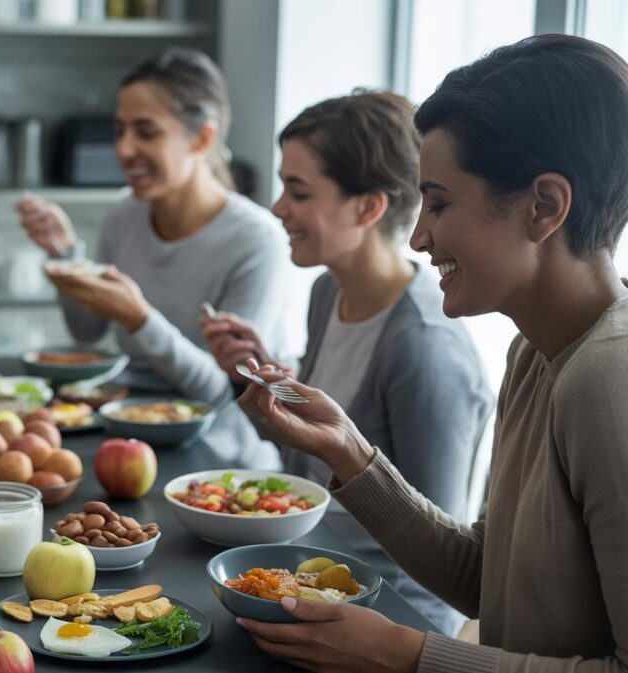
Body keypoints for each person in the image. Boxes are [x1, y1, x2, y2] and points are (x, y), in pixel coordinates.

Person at [234, 34, 628, 672]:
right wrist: (349, 452)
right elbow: (486, 578)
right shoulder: (535, 349)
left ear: (545, 206)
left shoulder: (610, 379)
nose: (418, 237)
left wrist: (407, 655)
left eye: (439, 204)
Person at [200, 91, 492, 634]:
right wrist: (259, 376)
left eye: (298, 190)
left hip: (388, 621)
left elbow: (441, 556)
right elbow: (310, 474)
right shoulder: (327, 293)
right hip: (304, 576)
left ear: (368, 206)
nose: (276, 207)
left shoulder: (425, 346)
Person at [17, 47, 293, 468]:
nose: (124, 149)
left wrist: (140, 319)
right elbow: (86, 332)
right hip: (127, 436)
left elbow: (222, 391)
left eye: (146, 132)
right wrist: (65, 256)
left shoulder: (257, 241)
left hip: (217, 460)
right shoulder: (124, 213)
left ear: (202, 138)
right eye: (120, 130)